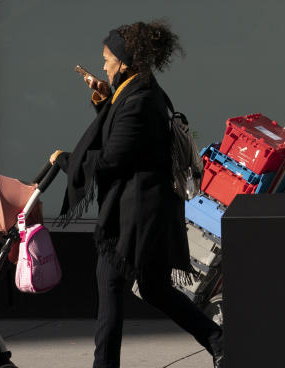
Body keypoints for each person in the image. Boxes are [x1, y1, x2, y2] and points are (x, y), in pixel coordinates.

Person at [49, 20, 224, 368]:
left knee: (110, 287)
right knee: (155, 288)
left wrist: (68, 161)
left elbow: (113, 158)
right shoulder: (138, 91)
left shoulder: (140, 100)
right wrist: (103, 98)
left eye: (107, 58)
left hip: (134, 217)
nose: (103, 64)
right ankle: (220, 342)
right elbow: (123, 136)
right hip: (148, 212)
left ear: (124, 61)